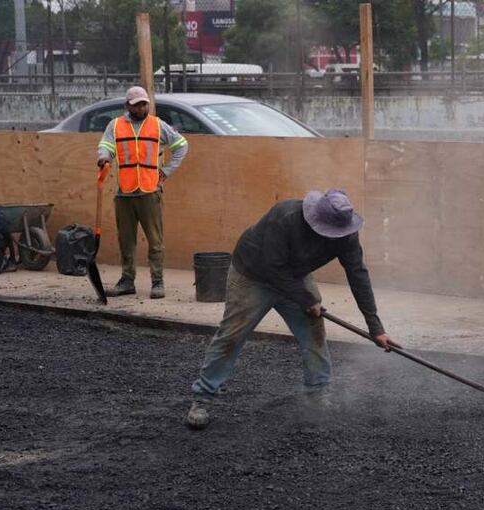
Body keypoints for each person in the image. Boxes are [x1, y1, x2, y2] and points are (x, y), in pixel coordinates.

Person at [186, 189, 396, 427]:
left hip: (295, 276)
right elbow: (273, 268)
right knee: (231, 335)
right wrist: (306, 300)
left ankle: (318, 391)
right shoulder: (284, 217)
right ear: (316, 221)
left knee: (314, 330)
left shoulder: (346, 233)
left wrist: (375, 327)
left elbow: (358, 275)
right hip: (253, 275)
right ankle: (203, 396)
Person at [96, 86, 189, 299]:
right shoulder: (115, 125)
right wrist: (103, 157)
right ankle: (127, 281)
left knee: (155, 240)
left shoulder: (158, 125)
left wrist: (165, 172)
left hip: (150, 191)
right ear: (128, 106)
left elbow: (182, 145)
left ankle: (158, 282)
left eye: (144, 103)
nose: (142, 107)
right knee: (126, 240)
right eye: (137, 104)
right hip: (125, 192)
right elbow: (106, 146)